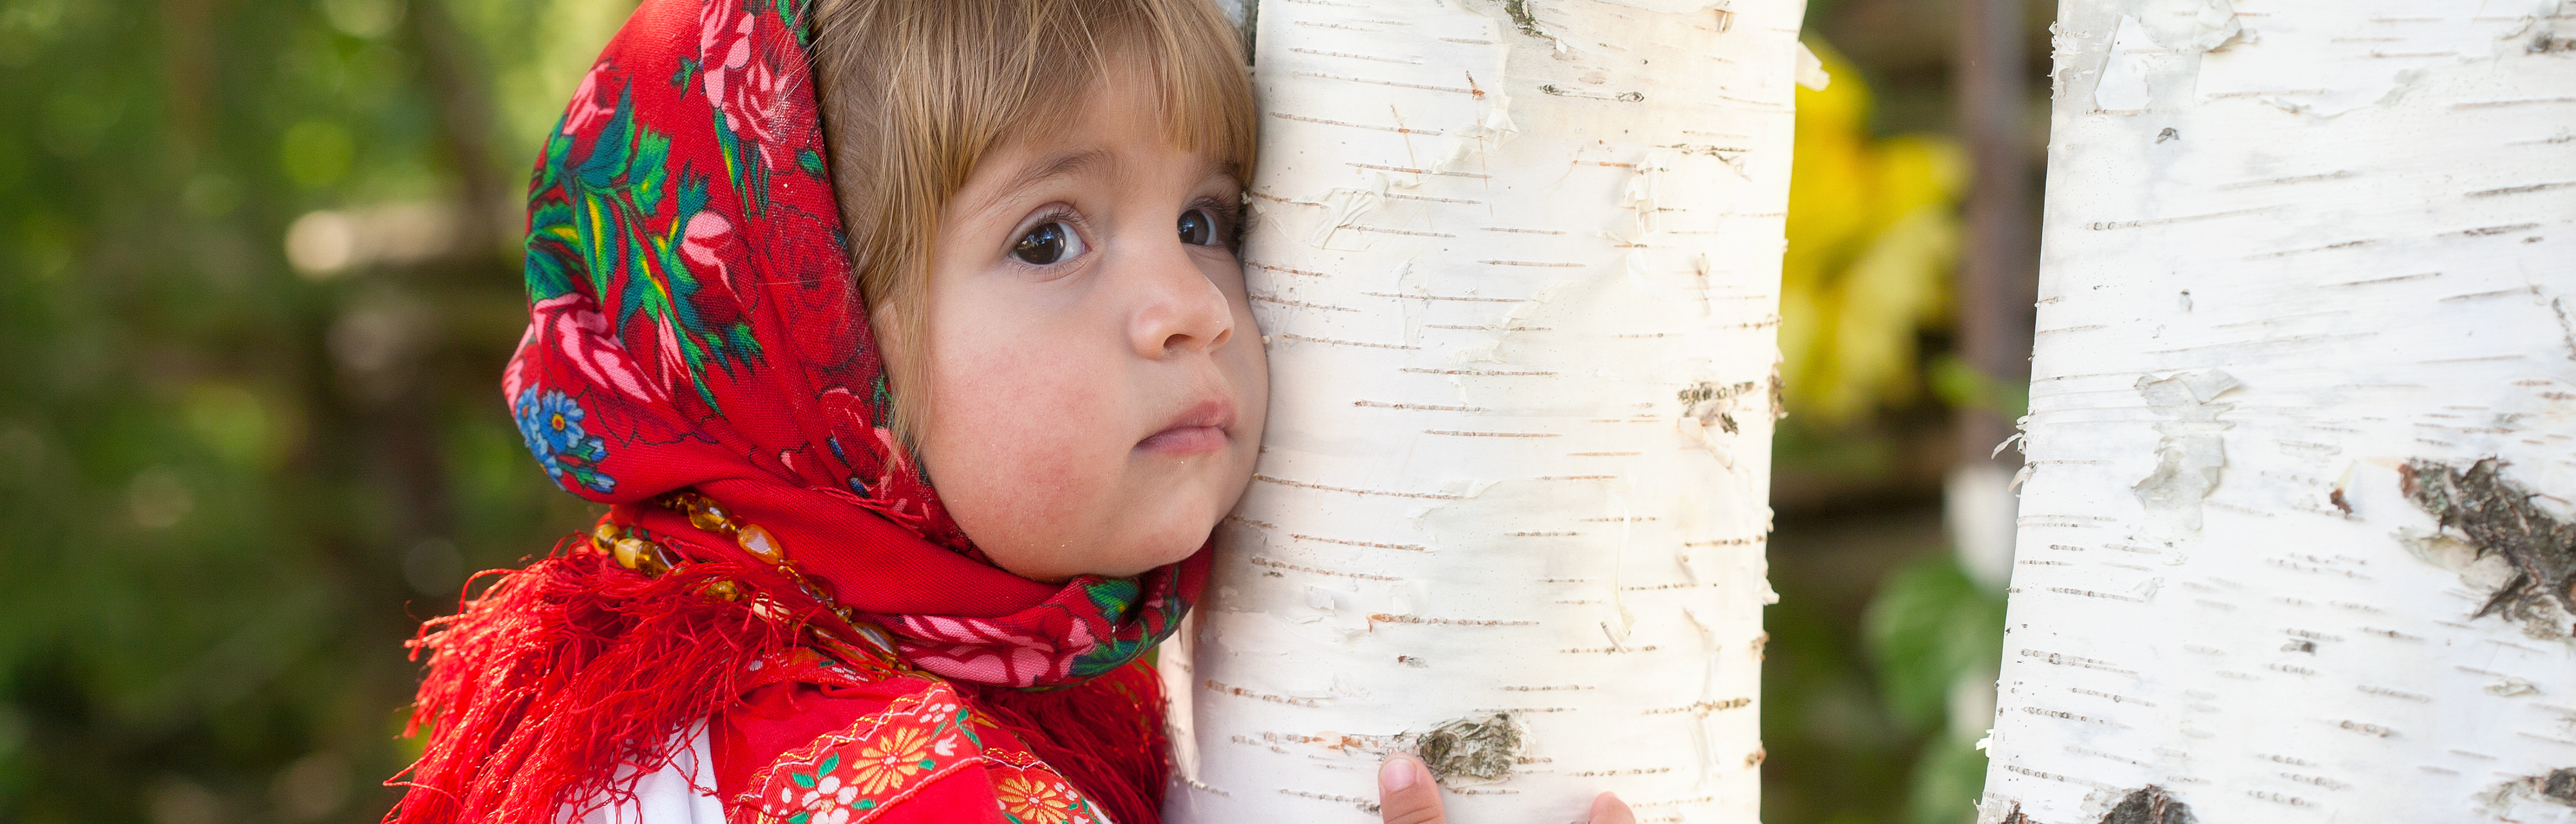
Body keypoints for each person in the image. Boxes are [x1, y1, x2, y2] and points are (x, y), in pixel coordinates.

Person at [385, 1, 1636, 823]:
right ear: (801, 344)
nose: (1191, 306)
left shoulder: (721, 692)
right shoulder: (881, 786)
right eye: (1049, 238)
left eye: (1206, 220)